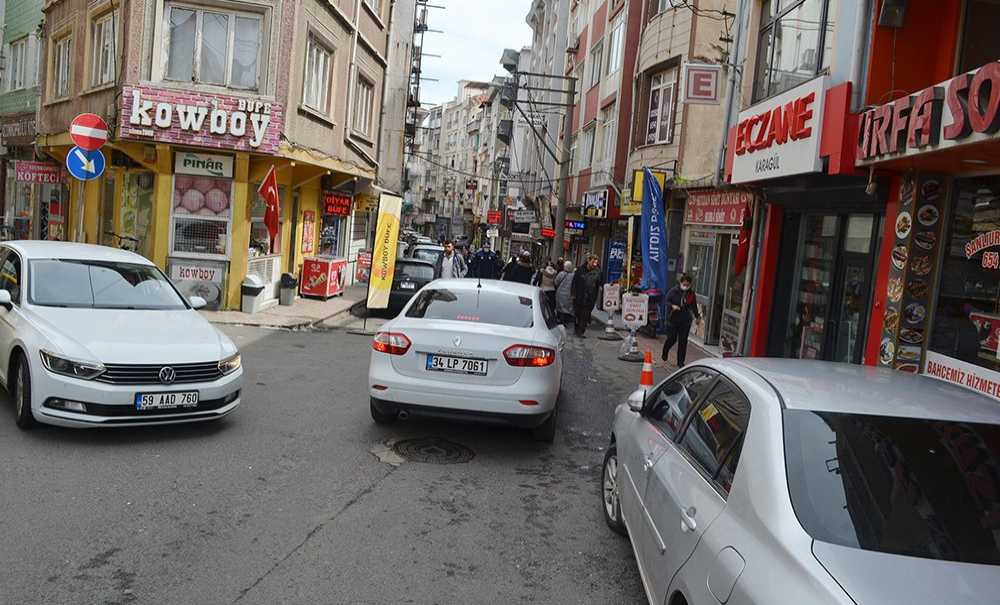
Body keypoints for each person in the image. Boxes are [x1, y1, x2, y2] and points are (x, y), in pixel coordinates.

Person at [661, 273, 702, 367]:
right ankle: (665, 350)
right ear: (680, 283)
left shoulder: (691, 294)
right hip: (673, 319)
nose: (685, 286)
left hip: (685, 320)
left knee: (683, 341)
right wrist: (672, 306)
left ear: (690, 285)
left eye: (688, 285)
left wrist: (697, 317)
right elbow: (666, 301)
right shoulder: (674, 291)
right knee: (672, 338)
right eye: (684, 284)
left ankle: (680, 362)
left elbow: (694, 306)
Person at [571, 255, 602, 337]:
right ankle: (576, 328)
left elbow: (599, 284)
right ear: (588, 261)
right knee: (577, 314)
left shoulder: (597, 272)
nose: (594, 264)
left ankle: (581, 332)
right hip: (579, 296)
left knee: (585, 316)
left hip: (589, 299)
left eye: (596, 262)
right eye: (593, 262)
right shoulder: (580, 270)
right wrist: (573, 294)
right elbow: (574, 282)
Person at [554, 260, 575, 325]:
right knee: (567, 308)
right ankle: (565, 321)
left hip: (560, 294)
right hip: (568, 295)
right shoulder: (573, 275)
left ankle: (560, 320)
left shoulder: (561, 274)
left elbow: (556, 282)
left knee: (560, 308)